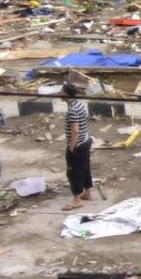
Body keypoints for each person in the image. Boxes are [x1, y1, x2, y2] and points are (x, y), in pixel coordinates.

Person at [62, 83, 94, 211]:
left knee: (74, 172)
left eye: (60, 92)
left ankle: (76, 199)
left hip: (78, 144)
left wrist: (72, 147)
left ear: (65, 95)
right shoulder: (79, 104)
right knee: (85, 168)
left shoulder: (72, 110)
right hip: (85, 141)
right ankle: (88, 193)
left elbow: (75, 130)